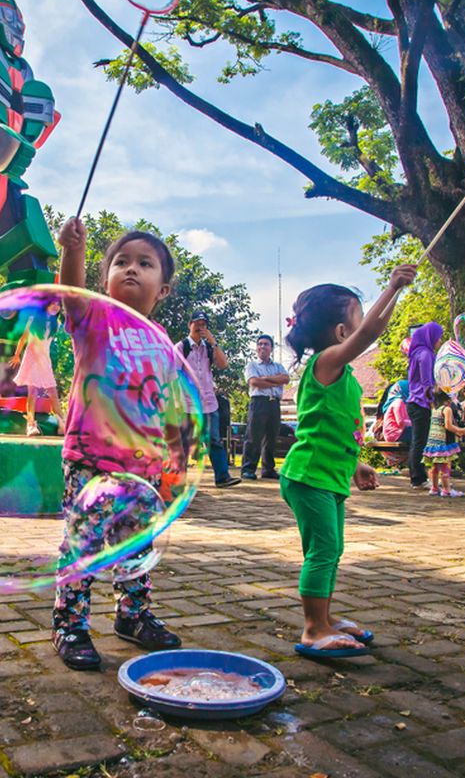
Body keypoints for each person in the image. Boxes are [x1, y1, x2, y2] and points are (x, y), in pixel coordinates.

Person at [53, 218, 185, 670]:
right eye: (121, 262)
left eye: (145, 264)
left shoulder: (164, 341)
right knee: (84, 545)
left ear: (162, 289)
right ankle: (70, 624)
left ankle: (134, 617)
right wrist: (73, 252)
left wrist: (173, 461)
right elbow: (70, 292)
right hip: (90, 456)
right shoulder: (96, 317)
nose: (131, 269)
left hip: (142, 467)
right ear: (104, 279)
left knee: (137, 546)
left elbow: (169, 405)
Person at [281, 266, 418, 659]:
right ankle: (313, 629)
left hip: (329, 475)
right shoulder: (325, 362)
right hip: (308, 477)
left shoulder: (344, 376)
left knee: (332, 548)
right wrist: (393, 288)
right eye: (357, 320)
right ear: (342, 334)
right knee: (322, 550)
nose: (364, 331)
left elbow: (337, 427)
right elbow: (371, 333)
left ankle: (324, 617)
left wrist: (357, 463)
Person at [176, 311, 240, 488]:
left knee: (214, 441)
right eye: (197, 323)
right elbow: (173, 374)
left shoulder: (209, 348)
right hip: (187, 405)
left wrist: (213, 342)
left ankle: (222, 477)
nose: (200, 327)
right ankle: (178, 483)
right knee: (183, 445)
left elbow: (223, 365)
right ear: (190, 324)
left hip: (208, 404)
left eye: (203, 324)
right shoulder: (181, 347)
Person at [9, 305, 64, 436]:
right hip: (32, 358)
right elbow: (23, 338)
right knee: (32, 393)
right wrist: (17, 356)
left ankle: (62, 424)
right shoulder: (34, 319)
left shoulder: (55, 323)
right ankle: (31, 425)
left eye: (59, 305)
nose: (56, 306)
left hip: (45, 359)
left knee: (53, 393)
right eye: (53, 303)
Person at [241, 334, 289, 480]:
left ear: (271, 348)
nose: (262, 347)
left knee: (271, 436)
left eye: (266, 344)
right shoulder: (252, 365)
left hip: (274, 403)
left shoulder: (278, 366)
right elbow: (254, 382)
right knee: (253, 435)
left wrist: (265, 380)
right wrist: (275, 381)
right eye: (260, 344)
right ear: (256, 348)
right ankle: (248, 468)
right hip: (259, 402)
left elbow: (285, 379)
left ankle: (268, 469)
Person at [406, 322, 442, 489]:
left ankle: (419, 476)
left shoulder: (416, 353)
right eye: (438, 337)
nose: (439, 341)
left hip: (414, 401)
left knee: (417, 440)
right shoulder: (426, 354)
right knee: (420, 441)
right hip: (421, 402)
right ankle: (418, 478)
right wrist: (434, 401)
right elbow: (427, 382)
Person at [424, 388, 465, 497]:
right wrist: (461, 431)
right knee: (444, 467)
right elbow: (448, 426)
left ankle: (434, 488)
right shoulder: (446, 409)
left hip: (432, 442)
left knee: (434, 467)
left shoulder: (434, 408)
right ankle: (446, 490)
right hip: (442, 442)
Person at [372, 380, 411, 444]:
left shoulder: (402, 404)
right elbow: (401, 422)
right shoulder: (398, 403)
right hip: (395, 434)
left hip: (396, 433)